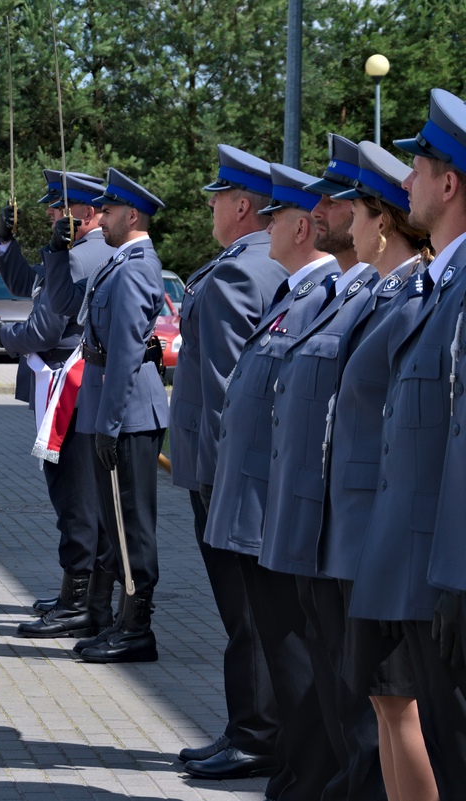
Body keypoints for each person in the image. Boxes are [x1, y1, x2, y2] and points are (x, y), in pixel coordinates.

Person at [204, 164, 341, 799]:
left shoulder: (323, 298)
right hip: (262, 504)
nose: (263, 227)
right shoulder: (293, 295)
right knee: (283, 655)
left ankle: (303, 774)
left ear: (303, 226)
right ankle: (292, 768)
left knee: (291, 654)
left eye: (274, 217)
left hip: (279, 509)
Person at [257, 135, 388, 801]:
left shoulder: (383, 297)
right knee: (343, 701)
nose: (321, 210)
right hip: (319, 528)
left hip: (356, 533)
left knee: (370, 710)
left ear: (379, 214)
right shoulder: (345, 293)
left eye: (338, 202)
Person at [352, 87, 466, 794]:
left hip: (444, 573)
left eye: (417, 169)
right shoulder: (436, 286)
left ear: (449, 182)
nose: (405, 183)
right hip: (415, 564)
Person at [320, 141, 437, 801]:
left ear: (383, 220)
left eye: (356, 213)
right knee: (383, 698)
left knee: (400, 702)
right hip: (367, 530)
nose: (348, 225)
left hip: (388, 535)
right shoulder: (385, 295)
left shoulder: (413, 298)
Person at [170, 145, 288, 784]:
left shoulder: (240, 272)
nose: (211, 208)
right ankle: (251, 729)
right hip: (238, 471)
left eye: (217, 198)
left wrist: (215, 479)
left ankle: (255, 735)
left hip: (224, 472)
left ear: (242, 206)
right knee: (253, 612)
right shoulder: (258, 265)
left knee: (245, 614)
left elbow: (224, 389)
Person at [45, 167, 169, 664]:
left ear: (131, 214)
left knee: (131, 526)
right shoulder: (118, 262)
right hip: (112, 408)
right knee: (117, 526)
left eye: (112, 210)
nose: (104, 218)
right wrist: (56, 253)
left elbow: (123, 352)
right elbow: (70, 306)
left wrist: (111, 424)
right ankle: (115, 619)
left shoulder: (138, 266)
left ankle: (137, 629)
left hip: (128, 414)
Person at [0, 170, 117, 638]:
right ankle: (78, 593)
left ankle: (80, 598)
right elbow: (32, 283)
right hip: (70, 389)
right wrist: (6, 244)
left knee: (75, 499)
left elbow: (43, 328)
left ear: (85, 213)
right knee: (79, 497)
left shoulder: (82, 257)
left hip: (72, 391)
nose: (47, 213)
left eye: (56, 207)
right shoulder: (75, 253)